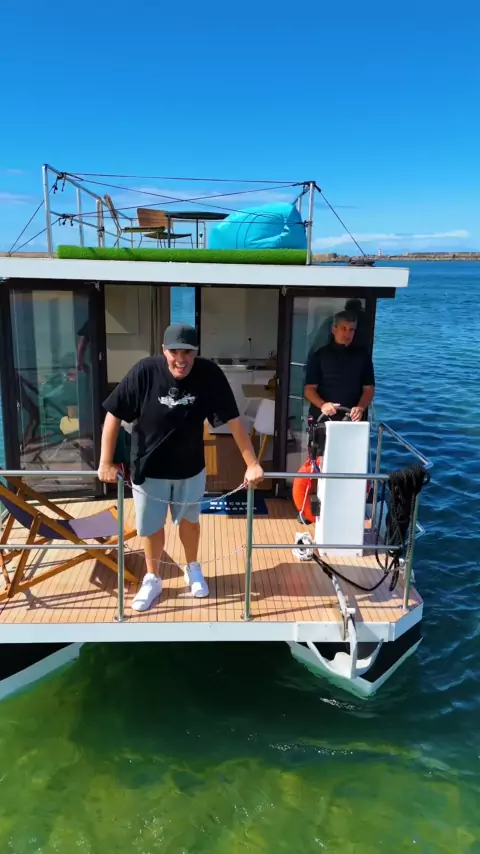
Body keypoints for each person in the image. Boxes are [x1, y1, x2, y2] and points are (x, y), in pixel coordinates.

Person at [98, 323, 264, 612]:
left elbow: (234, 420)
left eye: (187, 352)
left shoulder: (209, 374)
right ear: (164, 350)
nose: (180, 359)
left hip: (190, 467)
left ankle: (193, 568)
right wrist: (104, 462)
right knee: (151, 527)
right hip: (148, 467)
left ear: (196, 352)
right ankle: (153, 578)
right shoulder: (144, 371)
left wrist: (252, 464)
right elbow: (113, 415)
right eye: (174, 351)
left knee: (190, 523)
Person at [303, 310, 375, 465]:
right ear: (334, 329)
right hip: (322, 420)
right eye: (344, 328)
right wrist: (323, 405)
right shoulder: (320, 356)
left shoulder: (363, 356)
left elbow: (369, 389)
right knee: (319, 463)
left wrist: (360, 408)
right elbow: (309, 390)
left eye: (351, 330)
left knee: (349, 464)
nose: (347, 333)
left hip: (351, 421)